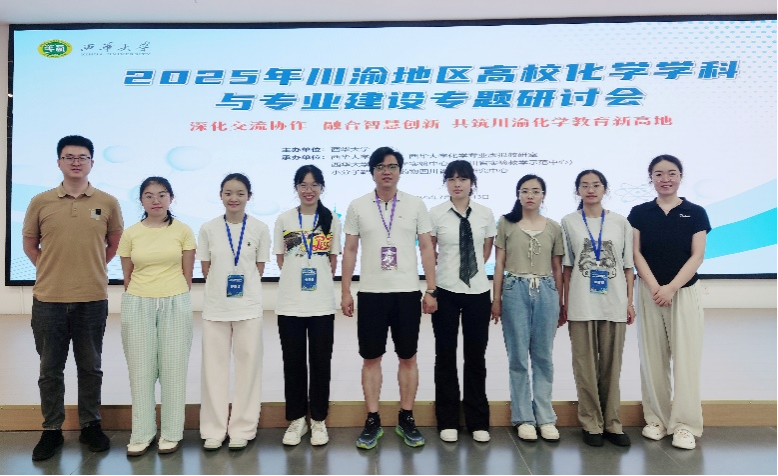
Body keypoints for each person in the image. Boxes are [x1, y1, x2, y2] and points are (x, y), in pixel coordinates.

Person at [22, 135, 124, 461]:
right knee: (50, 369)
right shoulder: (40, 201)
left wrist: (89, 268)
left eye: (82, 157)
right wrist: (51, 269)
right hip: (48, 299)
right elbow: (30, 244)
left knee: (90, 367)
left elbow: (114, 243)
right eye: (69, 157)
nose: (76, 162)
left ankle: (90, 425)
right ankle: (52, 429)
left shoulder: (108, 202)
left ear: (92, 162)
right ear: (59, 162)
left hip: (92, 298)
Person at [341, 146, 438, 449]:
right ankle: (372, 419)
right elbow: (350, 250)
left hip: (406, 292)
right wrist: (345, 290)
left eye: (392, 166)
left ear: (400, 171)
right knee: (371, 358)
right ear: (372, 171)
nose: (387, 171)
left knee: (408, 357)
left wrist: (431, 289)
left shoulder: (416, 204)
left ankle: (406, 416)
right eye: (381, 166)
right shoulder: (357, 205)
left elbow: (427, 248)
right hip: (371, 293)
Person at [628, 154, 710, 450]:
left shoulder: (695, 212)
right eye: (659, 174)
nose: (666, 179)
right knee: (653, 359)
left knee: (686, 360)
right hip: (650, 293)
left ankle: (685, 425)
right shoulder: (639, 213)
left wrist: (672, 288)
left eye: (671, 173)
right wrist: (655, 287)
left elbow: (697, 256)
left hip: (684, 292)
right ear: (650, 177)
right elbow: (635, 254)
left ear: (680, 176)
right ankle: (657, 420)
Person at [118, 176, 196, 456]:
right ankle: (142, 433)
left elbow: (187, 275)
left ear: (171, 198)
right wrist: (145, 294)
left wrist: (169, 292)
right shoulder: (131, 233)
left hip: (175, 302)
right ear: (141, 200)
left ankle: (172, 433)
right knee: (141, 372)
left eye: (162, 195)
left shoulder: (183, 231)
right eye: (149, 196)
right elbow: (128, 276)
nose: (156, 201)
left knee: (174, 371)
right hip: (138, 303)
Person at [560, 169, 635, 447]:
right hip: (581, 304)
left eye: (596, 185)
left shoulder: (620, 222)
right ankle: (591, 423)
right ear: (577, 190)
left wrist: (629, 302)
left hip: (614, 304)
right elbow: (567, 268)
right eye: (584, 185)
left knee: (611, 368)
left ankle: (613, 423)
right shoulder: (568, 222)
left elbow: (628, 267)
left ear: (605, 189)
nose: (590, 190)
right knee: (585, 367)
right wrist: (565, 302)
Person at [197, 173, 271, 451]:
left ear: (249, 196)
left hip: (248, 309)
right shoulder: (208, 228)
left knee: (248, 370)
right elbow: (206, 269)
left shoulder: (260, 228)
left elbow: (258, 269)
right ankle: (213, 430)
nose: (234, 198)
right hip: (216, 308)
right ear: (220, 196)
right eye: (228, 193)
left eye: (240, 193)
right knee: (213, 371)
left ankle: (243, 429)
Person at [491, 174, 564, 443]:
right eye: (524, 191)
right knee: (518, 357)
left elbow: (557, 267)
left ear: (543, 195)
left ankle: (545, 417)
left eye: (535, 191)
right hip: (514, 289)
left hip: (546, 290)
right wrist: (496, 299)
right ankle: (523, 417)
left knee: (543, 356)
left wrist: (560, 300)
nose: (530, 195)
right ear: (518, 194)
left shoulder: (554, 227)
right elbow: (499, 263)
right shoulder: (506, 223)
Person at [429, 160, 496, 443]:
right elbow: (429, 253)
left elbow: (485, 252)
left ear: (472, 182)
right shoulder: (435, 214)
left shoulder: (485, 214)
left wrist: (469, 270)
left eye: (463, 179)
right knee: (445, 356)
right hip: (445, 290)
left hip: (477, 292)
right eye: (451, 179)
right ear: (446, 183)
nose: (457, 184)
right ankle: (447, 420)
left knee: (475, 357)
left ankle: (477, 420)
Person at [274, 165, 341, 447]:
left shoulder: (331, 220)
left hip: (321, 304)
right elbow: (281, 260)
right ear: (296, 188)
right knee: (293, 364)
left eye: (314, 185)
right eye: (303, 185)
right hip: (290, 304)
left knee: (320, 364)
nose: (309, 190)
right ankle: (297, 419)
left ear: (322, 187)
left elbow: (332, 261)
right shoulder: (285, 219)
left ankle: (319, 420)